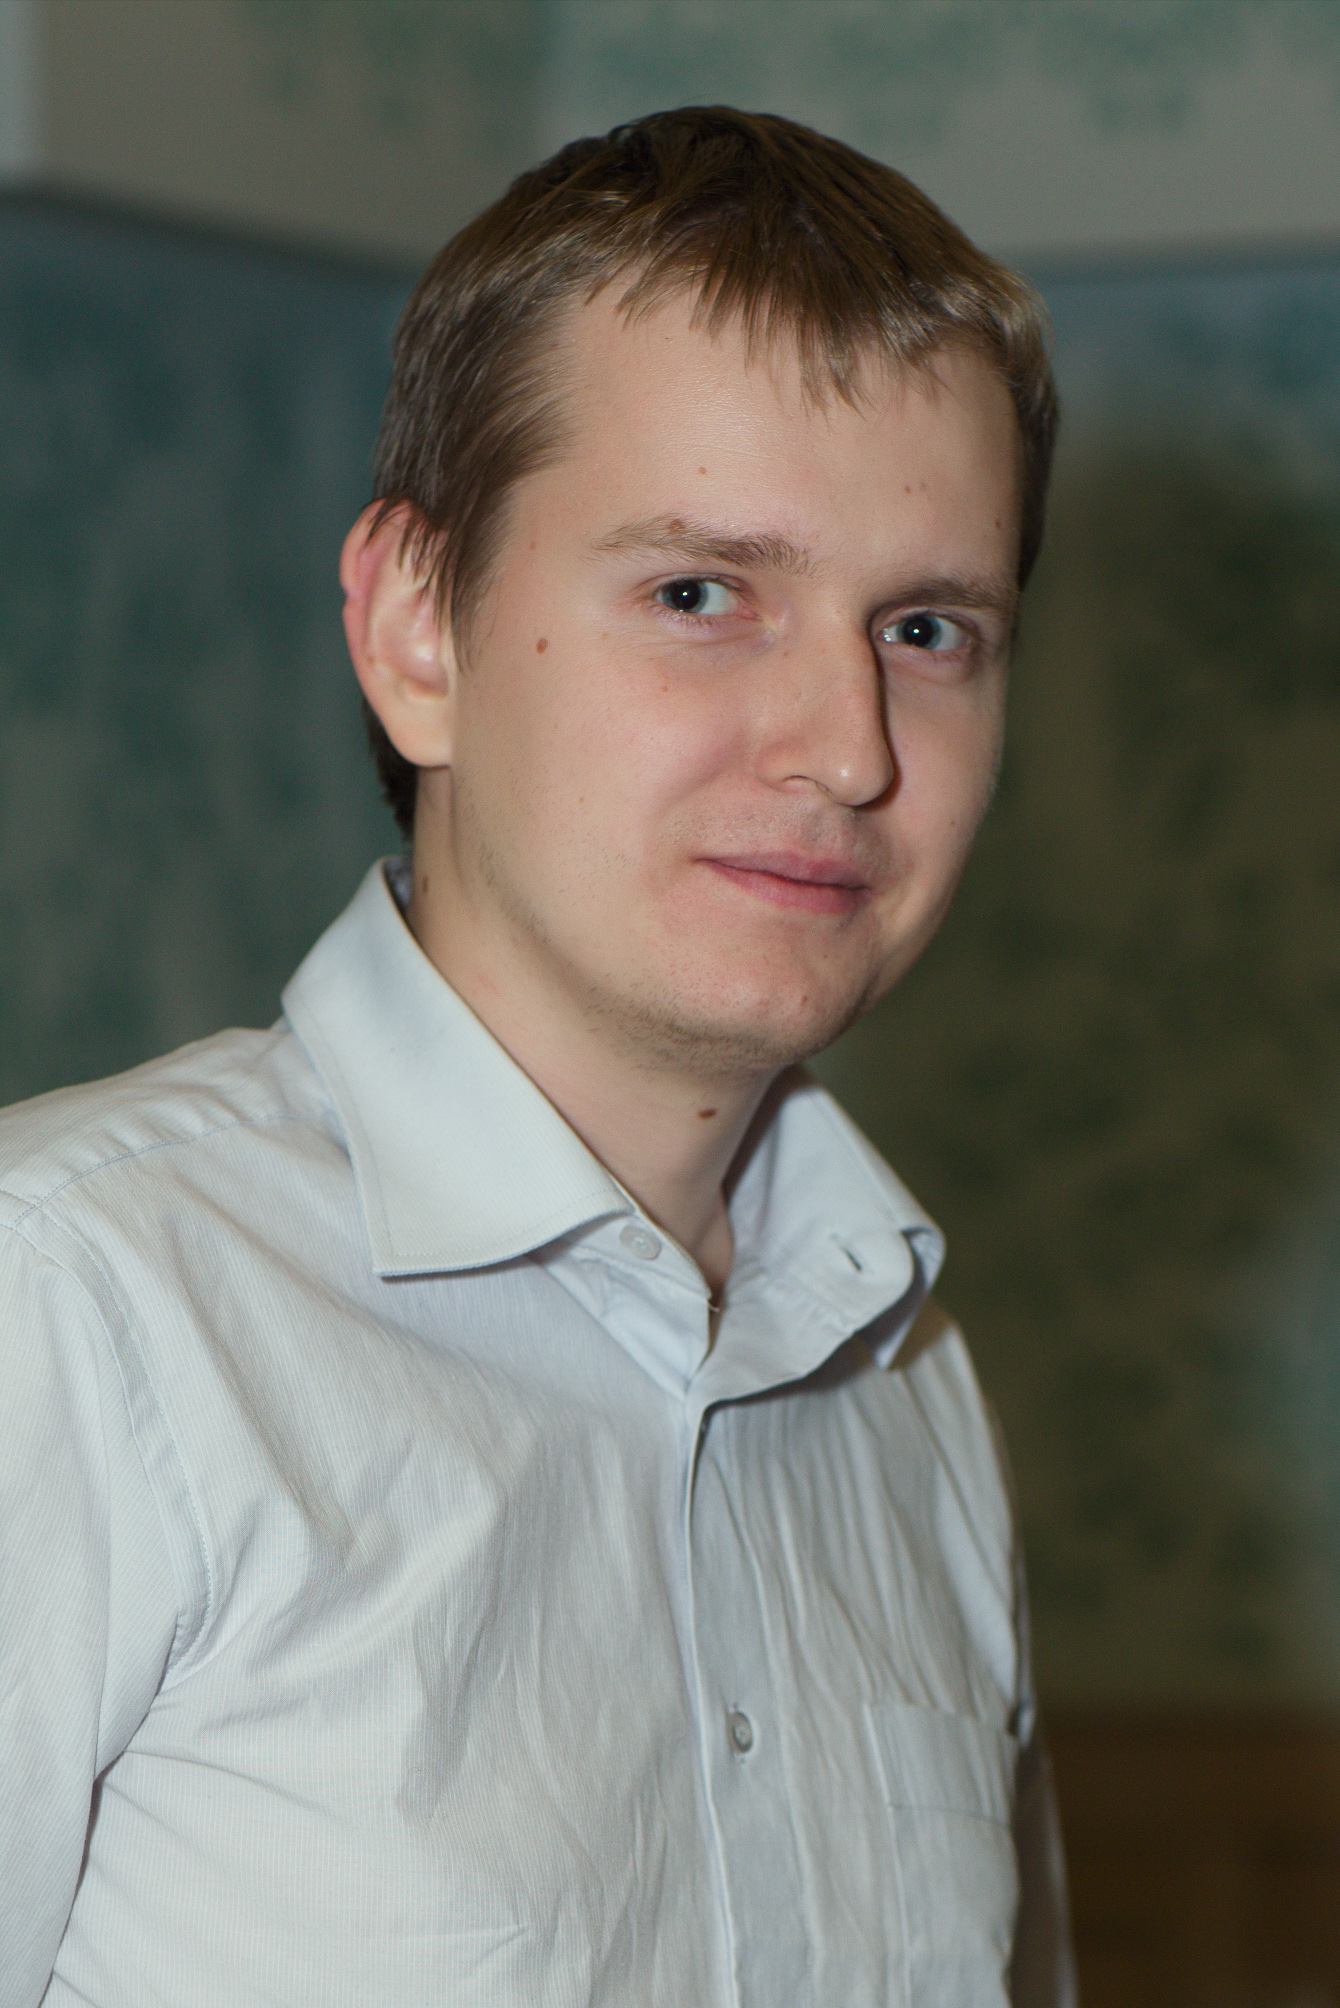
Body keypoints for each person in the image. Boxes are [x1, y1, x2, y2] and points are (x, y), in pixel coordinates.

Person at [0, 107, 1072, 2006]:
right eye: (699, 594)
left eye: (926, 628)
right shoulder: (70, 1309)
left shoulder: (906, 1382)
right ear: (418, 630)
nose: (848, 748)